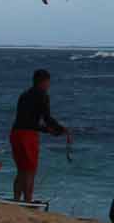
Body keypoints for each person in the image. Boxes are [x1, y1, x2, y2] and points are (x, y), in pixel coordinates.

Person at [10, 70, 70, 204]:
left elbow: (26, 119)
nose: (49, 85)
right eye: (48, 82)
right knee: (30, 170)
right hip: (28, 135)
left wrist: (47, 130)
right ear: (43, 82)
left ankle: (16, 200)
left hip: (15, 133)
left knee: (21, 170)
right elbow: (46, 118)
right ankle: (27, 201)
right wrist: (60, 129)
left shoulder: (24, 95)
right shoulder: (43, 95)